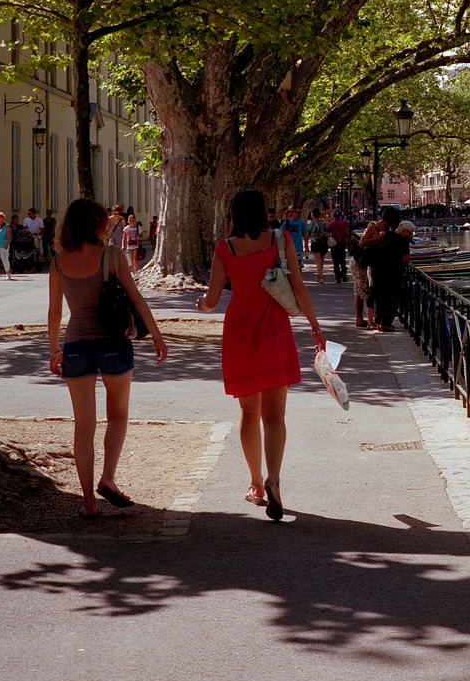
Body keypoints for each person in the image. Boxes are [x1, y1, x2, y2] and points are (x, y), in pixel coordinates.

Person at [196, 189, 325, 520]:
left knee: (248, 412)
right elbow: (298, 287)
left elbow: (212, 299)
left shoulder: (226, 248)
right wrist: (315, 328)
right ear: (264, 211)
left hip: (239, 332)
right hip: (274, 330)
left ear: (234, 213)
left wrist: (202, 305)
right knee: (275, 416)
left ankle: (255, 483)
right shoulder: (280, 241)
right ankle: (274, 480)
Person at [48, 197, 167, 518]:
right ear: (99, 223)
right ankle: (108, 478)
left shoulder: (59, 263)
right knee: (117, 416)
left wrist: (54, 350)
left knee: (83, 426)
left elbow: (54, 313)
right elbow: (136, 299)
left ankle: (88, 503)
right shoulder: (112, 256)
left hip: (75, 346)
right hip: (113, 342)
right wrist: (156, 336)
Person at [366, 213, 413, 332]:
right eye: (410, 233)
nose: (411, 236)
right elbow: (406, 259)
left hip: (377, 271)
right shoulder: (403, 241)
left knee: (381, 297)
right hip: (391, 273)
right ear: (404, 231)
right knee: (391, 298)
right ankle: (386, 323)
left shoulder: (388, 236)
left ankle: (379, 321)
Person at [326, 206, 350, 283]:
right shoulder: (343, 224)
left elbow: (326, 234)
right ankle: (344, 271)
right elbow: (347, 234)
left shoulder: (330, 224)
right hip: (342, 244)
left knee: (335, 261)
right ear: (340, 215)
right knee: (342, 260)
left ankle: (338, 277)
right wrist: (349, 244)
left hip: (334, 245)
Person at [307, 208, 328, 280]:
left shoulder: (310, 225)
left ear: (313, 215)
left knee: (318, 261)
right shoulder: (324, 224)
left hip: (315, 243)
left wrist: (307, 244)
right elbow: (327, 234)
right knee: (321, 261)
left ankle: (321, 277)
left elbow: (308, 234)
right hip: (323, 243)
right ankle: (319, 276)